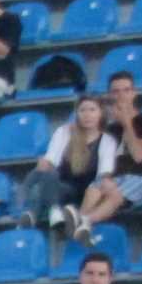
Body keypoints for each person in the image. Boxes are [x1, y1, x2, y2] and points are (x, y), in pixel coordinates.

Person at [16, 96, 116, 242]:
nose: (87, 115)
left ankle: (34, 213)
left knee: (41, 189)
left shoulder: (107, 141)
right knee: (47, 174)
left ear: (101, 113)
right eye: (82, 110)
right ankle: (52, 210)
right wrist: (42, 166)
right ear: (77, 113)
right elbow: (51, 160)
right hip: (61, 187)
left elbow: (104, 174)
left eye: (92, 110)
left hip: (86, 193)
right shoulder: (64, 132)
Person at [94, 72, 142, 222]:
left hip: (141, 180)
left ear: (134, 93)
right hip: (114, 181)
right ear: (110, 96)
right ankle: (82, 224)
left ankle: (84, 222)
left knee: (112, 195)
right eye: (116, 92)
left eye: (126, 90)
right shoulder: (108, 130)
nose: (121, 96)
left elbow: (139, 156)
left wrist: (127, 123)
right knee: (91, 192)